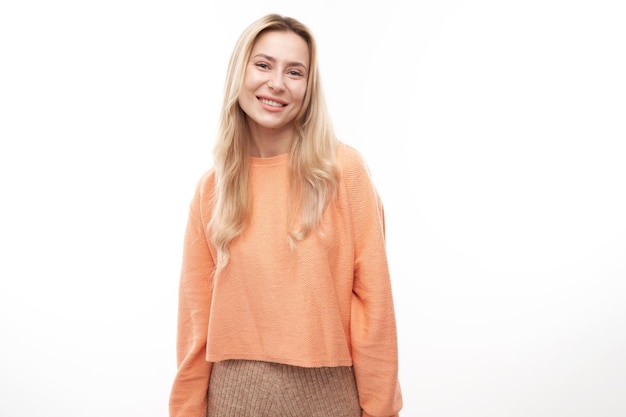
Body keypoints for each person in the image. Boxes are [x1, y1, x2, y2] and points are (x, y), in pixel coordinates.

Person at [169, 13, 403, 417]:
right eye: (263, 64)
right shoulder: (212, 190)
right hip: (231, 399)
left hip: (327, 399)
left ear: (309, 88)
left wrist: (380, 409)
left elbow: (375, 305)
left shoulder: (342, 172)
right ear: (239, 72)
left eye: (294, 72)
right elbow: (194, 325)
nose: (276, 83)